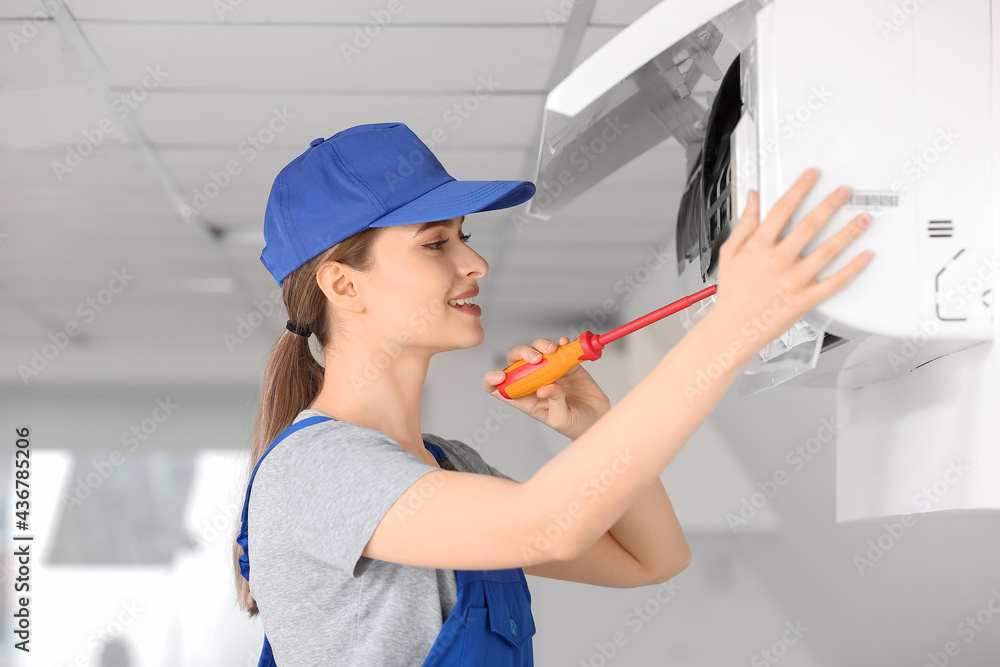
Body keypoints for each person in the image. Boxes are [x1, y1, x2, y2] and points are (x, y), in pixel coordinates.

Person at [232, 122, 873, 666]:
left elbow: (652, 558)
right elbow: (545, 528)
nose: (474, 264)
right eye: (435, 244)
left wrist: (593, 423)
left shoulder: (449, 464)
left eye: (465, 237)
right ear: (344, 287)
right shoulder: (315, 471)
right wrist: (735, 327)